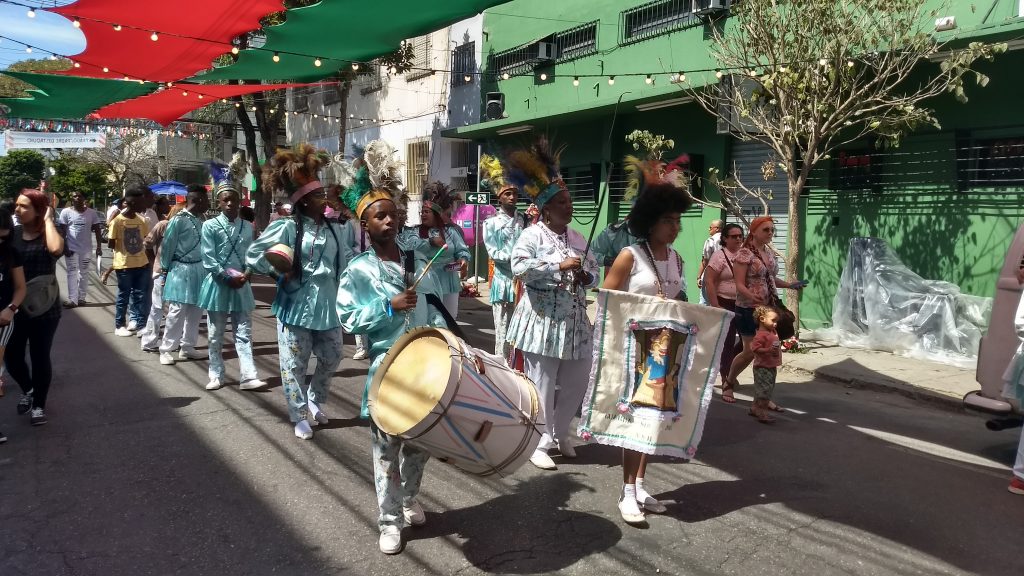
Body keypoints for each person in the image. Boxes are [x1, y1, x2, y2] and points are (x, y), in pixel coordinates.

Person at [335, 157, 443, 555]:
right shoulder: (359, 270)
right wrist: (388, 307)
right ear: (365, 225)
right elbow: (347, 318)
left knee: (421, 444)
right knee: (386, 448)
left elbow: (434, 296)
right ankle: (389, 520)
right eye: (380, 218)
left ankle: (409, 499)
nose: (389, 222)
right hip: (387, 369)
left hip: (425, 367)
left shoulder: (414, 256)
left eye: (393, 216)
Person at [599, 157, 690, 524]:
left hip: (664, 353)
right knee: (634, 421)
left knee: (653, 420)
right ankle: (625, 491)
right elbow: (605, 300)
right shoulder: (629, 256)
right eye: (668, 220)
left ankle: (640, 484)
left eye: (677, 220)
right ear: (649, 222)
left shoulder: (678, 260)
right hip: (632, 350)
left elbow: (680, 299)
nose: (675, 227)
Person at [503, 138, 599, 470]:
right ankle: (538, 439)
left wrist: (588, 276)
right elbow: (520, 269)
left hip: (574, 321)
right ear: (546, 208)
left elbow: (596, 269)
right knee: (542, 380)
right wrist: (557, 267)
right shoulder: (531, 235)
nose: (568, 207)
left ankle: (561, 432)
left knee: (579, 376)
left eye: (569, 201)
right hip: (542, 320)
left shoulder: (577, 239)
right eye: (561, 202)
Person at [246, 144, 346, 440]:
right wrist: (280, 270)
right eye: (316, 195)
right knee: (294, 364)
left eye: (322, 193)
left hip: (328, 304)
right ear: (302, 201)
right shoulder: (287, 227)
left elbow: (345, 262)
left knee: (333, 355)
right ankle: (298, 413)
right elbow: (253, 254)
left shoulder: (336, 230)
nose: (323, 198)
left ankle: (315, 399)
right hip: (297, 304)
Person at [725, 216, 804, 411]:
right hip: (747, 310)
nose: (770, 233)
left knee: (766, 355)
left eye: (772, 230)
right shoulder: (744, 254)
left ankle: (762, 397)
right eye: (766, 230)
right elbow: (739, 284)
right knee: (750, 351)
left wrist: (789, 285)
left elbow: (770, 278)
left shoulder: (767, 254)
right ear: (754, 232)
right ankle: (729, 382)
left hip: (767, 310)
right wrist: (752, 296)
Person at [199, 182, 266, 391]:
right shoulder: (209, 226)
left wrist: (247, 273)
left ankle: (248, 376)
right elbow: (208, 258)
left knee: (244, 332)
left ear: (240, 202)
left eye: (234, 200)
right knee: (215, 333)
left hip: (241, 283)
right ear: (218, 202)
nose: (230, 203)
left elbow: (251, 254)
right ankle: (216, 374)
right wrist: (227, 277)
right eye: (225, 200)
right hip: (219, 284)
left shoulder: (247, 226)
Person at [9, 190, 65, 426]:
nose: (17, 210)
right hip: (14, 306)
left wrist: (49, 220)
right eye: (17, 206)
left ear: (39, 211)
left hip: (45, 307)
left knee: (40, 356)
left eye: (24, 206)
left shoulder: (50, 233)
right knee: (11, 357)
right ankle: (29, 389)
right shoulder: (14, 234)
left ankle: (39, 405)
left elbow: (56, 251)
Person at [400, 182, 470, 320]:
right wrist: (430, 242)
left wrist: (463, 260)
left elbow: (462, 251)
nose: (423, 215)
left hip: (448, 280)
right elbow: (409, 246)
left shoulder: (451, 232)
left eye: (427, 212)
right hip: (424, 280)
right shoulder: (414, 231)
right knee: (426, 319)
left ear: (437, 214)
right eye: (422, 212)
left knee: (449, 319)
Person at [157, 186, 209, 365]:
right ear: (198, 200)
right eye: (207, 199)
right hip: (180, 268)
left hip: (199, 269)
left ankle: (187, 347)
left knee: (196, 310)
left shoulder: (202, 219)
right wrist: (165, 269)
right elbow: (168, 246)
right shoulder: (178, 220)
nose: (209, 203)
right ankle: (166, 348)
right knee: (177, 311)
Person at [481, 155, 523, 360]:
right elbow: (494, 253)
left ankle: (517, 367)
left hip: (522, 282)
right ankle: (501, 366)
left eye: (515, 193)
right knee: (503, 330)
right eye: (508, 194)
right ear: (500, 197)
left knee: (520, 330)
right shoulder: (491, 223)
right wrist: (519, 260)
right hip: (504, 281)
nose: (512, 197)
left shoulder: (523, 220)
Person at [704, 222, 744, 403]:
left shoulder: (745, 255)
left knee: (748, 343)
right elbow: (709, 281)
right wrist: (715, 304)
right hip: (724, 303)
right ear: (725, 239)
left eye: (740, 236)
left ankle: (731, 369)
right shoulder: (719, 257)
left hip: (743, 304)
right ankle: (726, 379)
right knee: (727, 343)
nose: (738, 239)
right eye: (733, 236)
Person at [139, 203, 185, 352]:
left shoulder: (186, 228)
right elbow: (147, 243)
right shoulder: (163, 225)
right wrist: (154, 260)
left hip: (179, 273)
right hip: (161, 272)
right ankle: (149, 342)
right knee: (157, 307)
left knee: (175, 309)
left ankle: (170, 342)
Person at [109, 186, 151, 336]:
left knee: (140, 296)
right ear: (132, 203)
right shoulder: (117, 222)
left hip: (142, 264)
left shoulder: (142, 220)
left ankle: (141, 326)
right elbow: (111, 244)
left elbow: (144, 240)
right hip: (124, 265)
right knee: (123, 296)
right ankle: (119, 325)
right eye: (141, 203)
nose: (144, 205)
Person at [0, 207, 27, 440]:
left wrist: (11, 309)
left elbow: (20, 288)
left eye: (3, 236)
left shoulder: (11, 254)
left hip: (3, 320)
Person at [58, 191, 104, 308]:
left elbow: (98, 230)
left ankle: (81, 298)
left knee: (84, 272)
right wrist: (65, 247)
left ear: (84, 198)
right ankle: (72, 300)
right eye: (75, 196)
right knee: (72, 273)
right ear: (71, 198)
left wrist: (99, 247)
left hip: (86, 249)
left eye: (80, 196)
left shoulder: (91, 213)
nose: (77, 198)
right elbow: (62, 231)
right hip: (71, 248)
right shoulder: (66, 212)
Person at [749, 305, 783, 423]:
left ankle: (754, 408)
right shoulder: (760, 335)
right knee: (765, 391)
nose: (775, 324)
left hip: (770, 366)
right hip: (762, 367)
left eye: (776, 321)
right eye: (773, 321)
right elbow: (754, 348)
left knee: (762, 389)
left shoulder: (771, 331)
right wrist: (768, 350)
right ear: (762, 319)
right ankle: (762, 413)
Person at [697, 219, 723, 305]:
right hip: (723, 276)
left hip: (710, 275)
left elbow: (705, 260)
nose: (709, 229)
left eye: (710, 227)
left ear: (717, 228)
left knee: (704, 303)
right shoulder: (728, 240)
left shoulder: (710, 241)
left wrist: (698, 276)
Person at [100, 197, 125, 285]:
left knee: (121, 260)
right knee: (120, 260)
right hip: (117, 239)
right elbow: (108, 222)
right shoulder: (117, 211)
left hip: (127, 240)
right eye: (125, 203)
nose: (126, 205)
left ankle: (107, 273)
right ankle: (107, 273)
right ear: (121, 204)